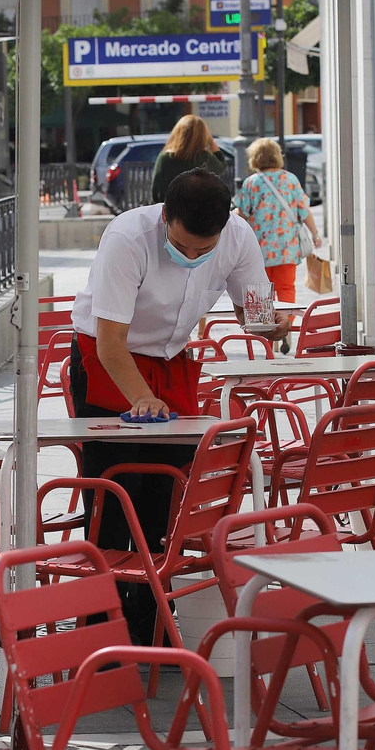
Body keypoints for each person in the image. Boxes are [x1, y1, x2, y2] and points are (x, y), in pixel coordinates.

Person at [70, 169, 288, 643]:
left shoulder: (237, 236)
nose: (191, 258)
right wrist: (142, 397)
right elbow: (110, 342)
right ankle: (99, 634)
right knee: (111, 494)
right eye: (183, 247)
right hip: (107, 357)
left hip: (170, 360)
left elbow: (255, 314)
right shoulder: (127, 237)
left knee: (168, 499)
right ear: (164, 216)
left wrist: (272, 324)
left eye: (202, 252)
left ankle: (151, 628)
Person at [234, 136, 320, 304]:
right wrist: (315, 234)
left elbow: (242, 212)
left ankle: (267, 326)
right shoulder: (290, 179)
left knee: (262, 291)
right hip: (286, 248)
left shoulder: (251, 183)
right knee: (286, 288)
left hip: (259, 249)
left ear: (255, 158)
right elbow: (304, 210)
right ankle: (286, 326)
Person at [150, 115, 229, 202]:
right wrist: (211, 142)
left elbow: (156, 190)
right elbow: (222, 166)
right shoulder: (205, 157)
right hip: (197, 209)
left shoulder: (165, 157)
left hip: (170, 209)